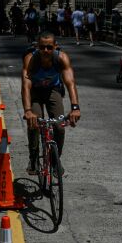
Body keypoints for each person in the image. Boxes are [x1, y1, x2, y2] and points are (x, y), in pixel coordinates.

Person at [22, 31, 81, 175]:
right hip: (35, 91)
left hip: (53, 90)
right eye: (42, 47)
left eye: (49, 47)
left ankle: (56, 160)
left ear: (55, 46)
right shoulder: (31, 59)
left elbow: (70, 83)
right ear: (37, 46)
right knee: (34, 123)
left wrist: (75, 108)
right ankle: (34, 158)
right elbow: (25, 86)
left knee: (59, 127)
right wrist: (28, 111)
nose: (46, 51)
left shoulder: (61, 58)